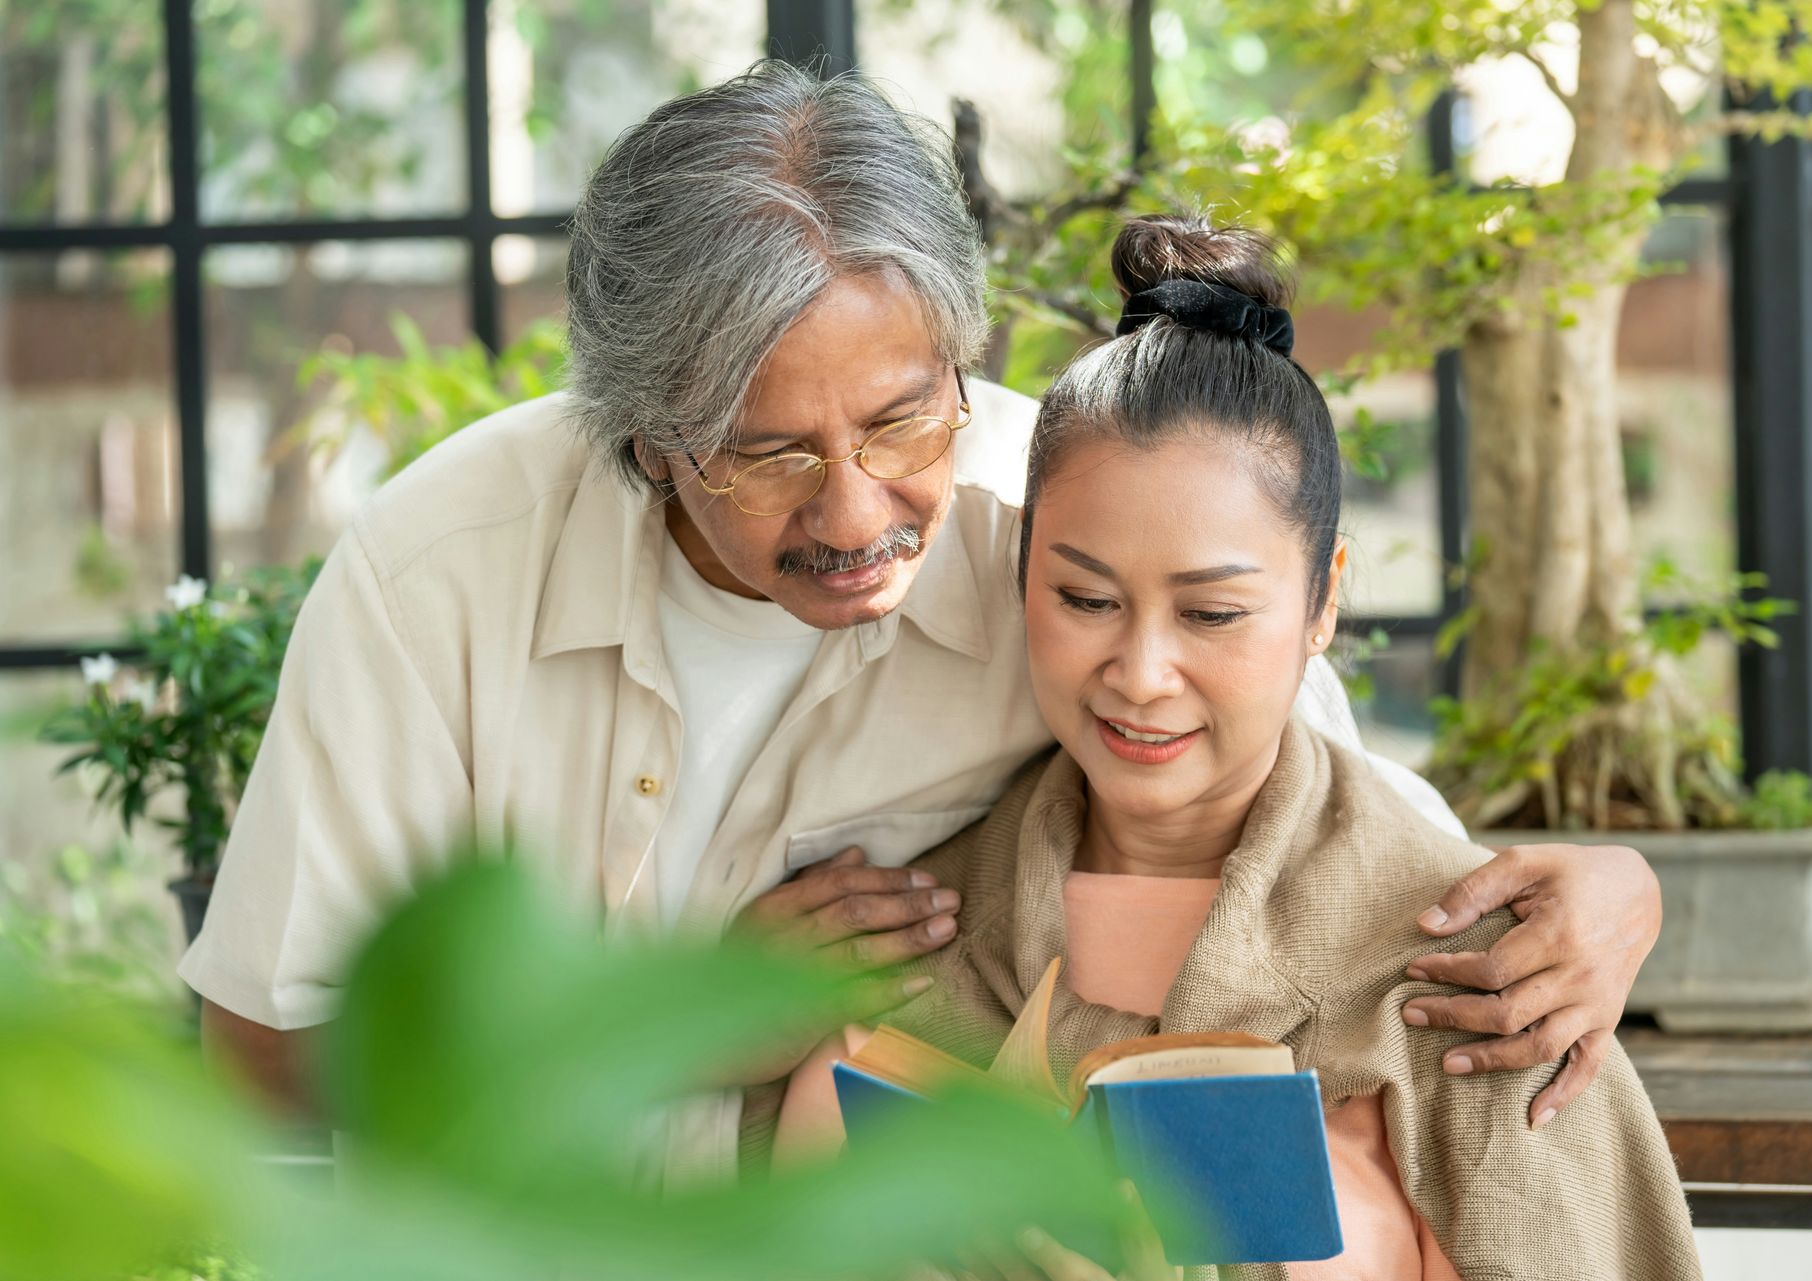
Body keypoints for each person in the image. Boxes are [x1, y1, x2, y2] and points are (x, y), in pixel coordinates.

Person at [181, 62, 1663, 1186]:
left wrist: (1613, 893)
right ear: (642, 438)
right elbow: (259, 1060)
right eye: (765, 452)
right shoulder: (441, 571)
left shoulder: (1076, 530)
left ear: (963, 352)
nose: (854, 510)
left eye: (903, 419)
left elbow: (1330, 851)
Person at [762, 215, 1700, 1281]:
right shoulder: (893, 965)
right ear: (1019, 578)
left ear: (1323, 599)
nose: (1140, 672)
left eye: (1212, 615)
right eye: (1085, 598)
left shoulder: (1487, 995)